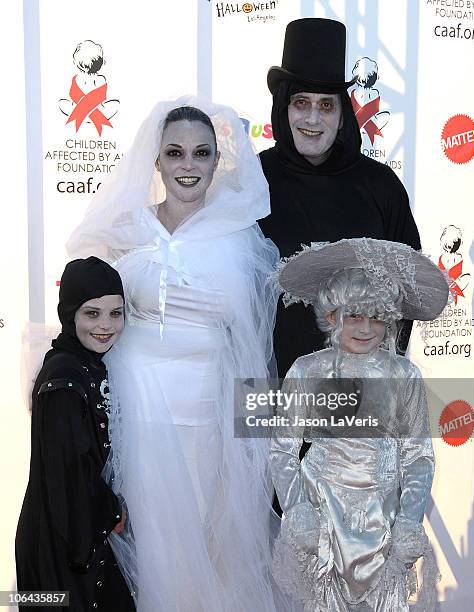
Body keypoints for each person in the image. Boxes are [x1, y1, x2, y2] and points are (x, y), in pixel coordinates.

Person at [66, 99, 284, 611]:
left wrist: (253, 446)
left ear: (216, 163)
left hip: (209, 420)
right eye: (175, 152)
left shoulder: (238, 238)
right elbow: (87, 305)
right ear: (157, 162)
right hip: (138, 413)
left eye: (201, 153)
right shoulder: (125, 230)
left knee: (209, 546)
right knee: (150, 544)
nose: (188, 165)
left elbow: (251, 344)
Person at [269, 238, 449, 611]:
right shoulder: (308, 370)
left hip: (382, 515)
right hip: (322, 515)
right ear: (333, 316)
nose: (366, 328)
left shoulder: (404, 375)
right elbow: (283, 448)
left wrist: (409, 520)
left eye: (377, 318)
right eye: (354, 316)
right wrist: (297, 507)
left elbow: (417, 457)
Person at [258, 18, 421, 376]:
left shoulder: (380, 186)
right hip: (274, 395)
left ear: (343, 113)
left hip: (363, 401)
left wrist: (381, 377)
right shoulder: (254, 182)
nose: (312, 118)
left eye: (326, 105)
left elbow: (407, 295)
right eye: (301, 102)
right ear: (284, 108)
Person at [16, 257, 134, 612]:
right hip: (61, 548)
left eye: (116, 313)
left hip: (74, 535)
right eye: (92, 313)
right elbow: (69, 474)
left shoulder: (84, 364)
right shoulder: (64, 379)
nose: (106, 326)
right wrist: (112, 512)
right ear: (70, 314)